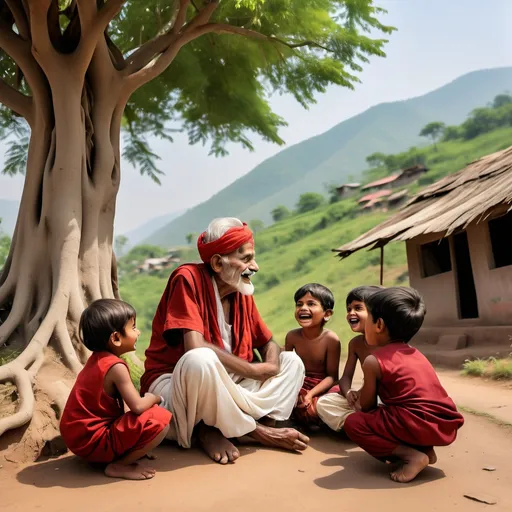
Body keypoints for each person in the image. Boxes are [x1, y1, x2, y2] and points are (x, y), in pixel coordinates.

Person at [140, 217, 309, 465]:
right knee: (200, 359)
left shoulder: (240, 288)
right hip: (180, 384)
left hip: (229, 383)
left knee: (291, 361)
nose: (256, 266)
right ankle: (250, 431)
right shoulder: (187, 279)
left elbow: (268, 341)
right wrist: (252, 369)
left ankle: (236, 424)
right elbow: (194, 346)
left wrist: (269, 367)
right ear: (218, 263)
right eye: (247, 259)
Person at [343, 287, 465, 483]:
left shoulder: (374, 361)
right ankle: (425, 450)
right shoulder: (416, 354)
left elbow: (367, 407)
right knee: (394, 411)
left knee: (354, 422)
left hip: (415, 423)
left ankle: (411, 456)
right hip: (443, 424)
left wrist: (358, 401)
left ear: (379, 325)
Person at [60, 299, 171, 480]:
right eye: (133, 328)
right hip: (94, 442)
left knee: (143, 419)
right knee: (160, 418)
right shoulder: (116, 367)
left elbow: (123, 409)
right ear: (116, 338)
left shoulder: (96, 360)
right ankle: (120, 465)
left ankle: (130, 452)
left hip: (80, 439)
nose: (138, 332)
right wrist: (154, 398)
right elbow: (137, 407)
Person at [316, 286, 381, 431]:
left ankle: (361, 425)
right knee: (325, 402)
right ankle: (357, 424)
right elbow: (345, 377)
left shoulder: (387, 342)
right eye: (349, 309)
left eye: (358, 308)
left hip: (384, 399)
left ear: (375, 312)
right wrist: (349, 393)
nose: (351, 313)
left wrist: (365, 396)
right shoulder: (356, 344)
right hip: (364, 400)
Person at [284, 283, 341, 427]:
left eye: (311, 304)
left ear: (327, 314)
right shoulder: (292, 336)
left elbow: (332, 377)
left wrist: (310, 395)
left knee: (336, 395)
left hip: (322, 387)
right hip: (299, 383)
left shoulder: (331, 339)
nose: (303, 308)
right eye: (299, 304)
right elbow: (287, 371)